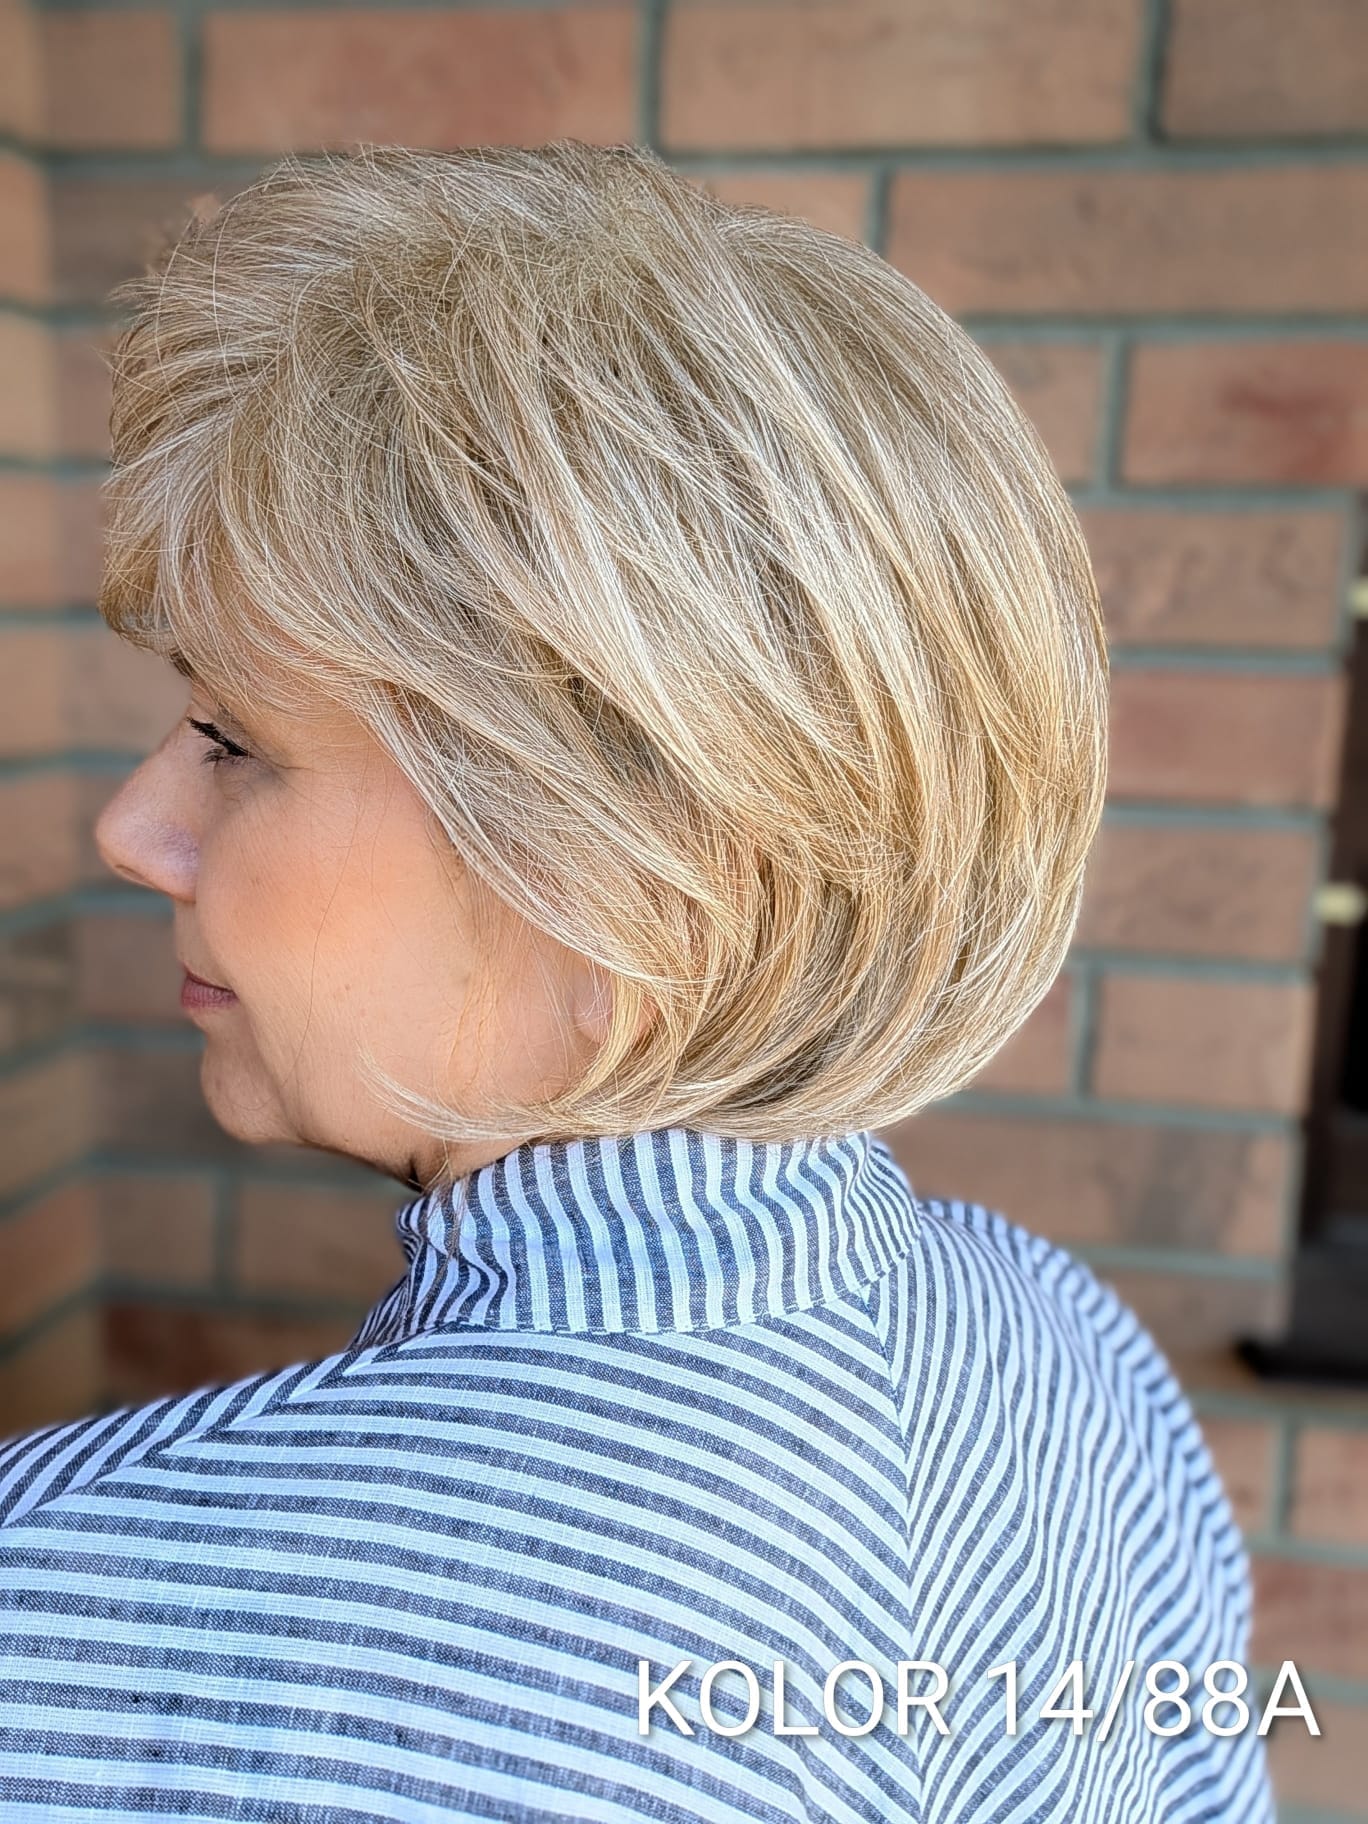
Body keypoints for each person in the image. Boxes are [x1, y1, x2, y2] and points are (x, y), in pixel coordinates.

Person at [0, 140, 1274, 1822]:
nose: (134, 829)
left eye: (234, 741)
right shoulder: (1066, 1349)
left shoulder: (80, 1623)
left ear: (617, 882)